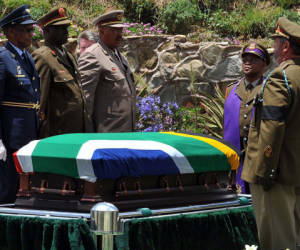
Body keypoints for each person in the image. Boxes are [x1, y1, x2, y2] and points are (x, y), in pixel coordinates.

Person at [242, 17, 300, 250]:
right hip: (296, 172)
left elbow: (272, 129)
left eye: (276, 41)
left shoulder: (280, 78)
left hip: (276, 175)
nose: (273, 46)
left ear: (285, 46)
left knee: (278, 242)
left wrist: (265, 171)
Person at [0, 5, 40, 202]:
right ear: (11, 31)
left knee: (25, 190)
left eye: (32, 29)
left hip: (29, 134)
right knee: (9, 189)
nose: (31, 34)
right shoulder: (3, 59)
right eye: (27, 30)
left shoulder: (27, 57)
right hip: (10, 136)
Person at [32, 7, 91, 138]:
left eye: (66, 27)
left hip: (77, 128)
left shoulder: (68, 55)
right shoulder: (43, 57)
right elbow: (40, 100)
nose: (65, 31)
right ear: (46, 31)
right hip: (58, 131)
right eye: (59, 28)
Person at [78, 10, 136, 132]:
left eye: (120, 30)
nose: (120, 34)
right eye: (115, 30)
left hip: (125, 132)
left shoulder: (120, 56)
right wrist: (89, 136)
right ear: (101, 31)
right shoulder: (92, 55)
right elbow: (85, 102)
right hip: (107, 134)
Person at [223, 42, 270, 194]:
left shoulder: (269, 89)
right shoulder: (231, 89)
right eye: (245, 59)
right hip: (235, 156)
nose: (248, 63)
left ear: (264, 64)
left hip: (258, 157)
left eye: (253, 59)